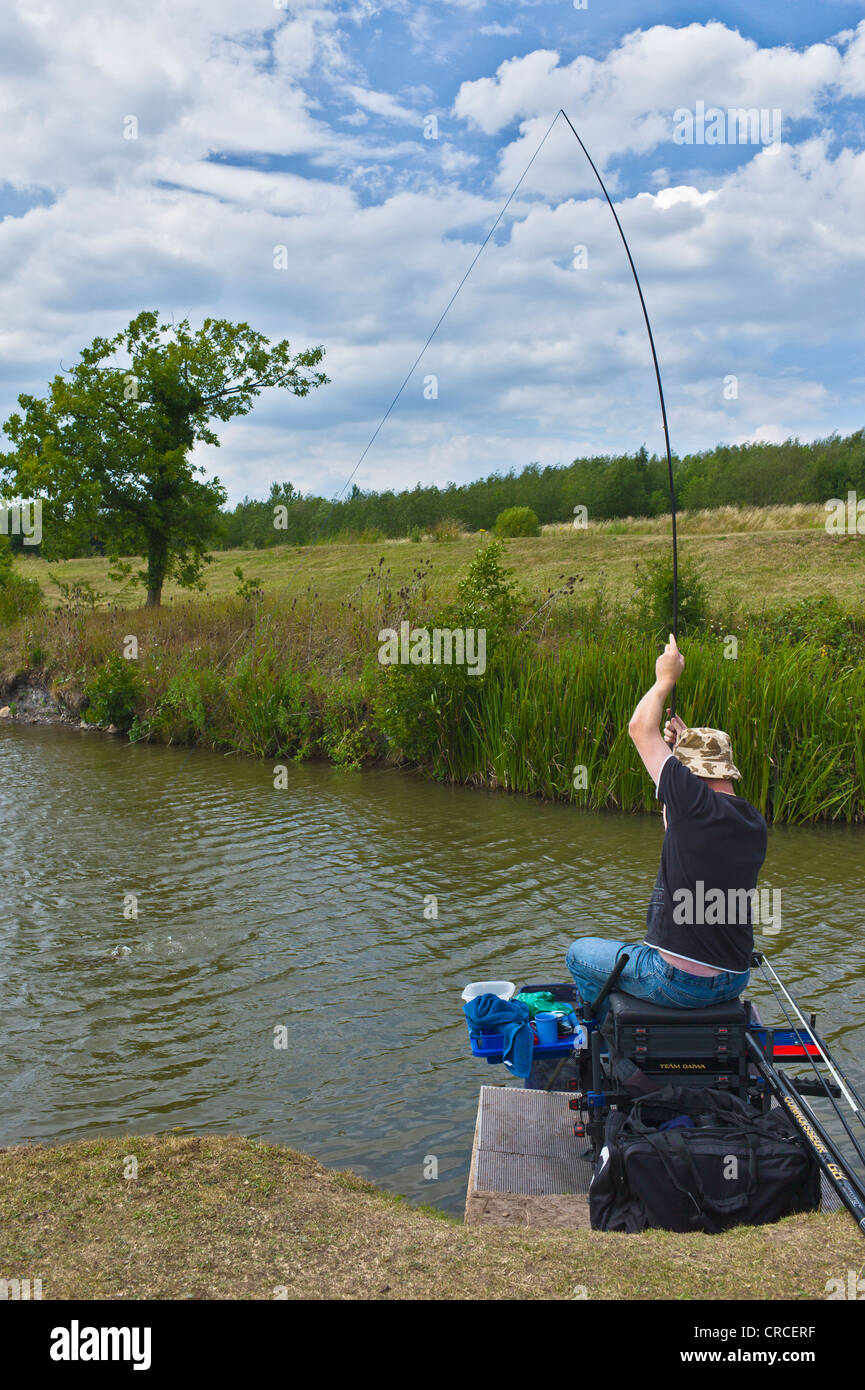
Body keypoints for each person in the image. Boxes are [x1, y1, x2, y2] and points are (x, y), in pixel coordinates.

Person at [565, 633, 767, 1019]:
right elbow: (674, 823)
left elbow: (640, 727)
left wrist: (665, 680)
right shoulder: (752, 821)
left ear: (689, 776)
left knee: (580, 953)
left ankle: (607, 1037)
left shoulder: (692, 804)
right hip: (735, 977)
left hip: (678, 982)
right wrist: (682, 748)